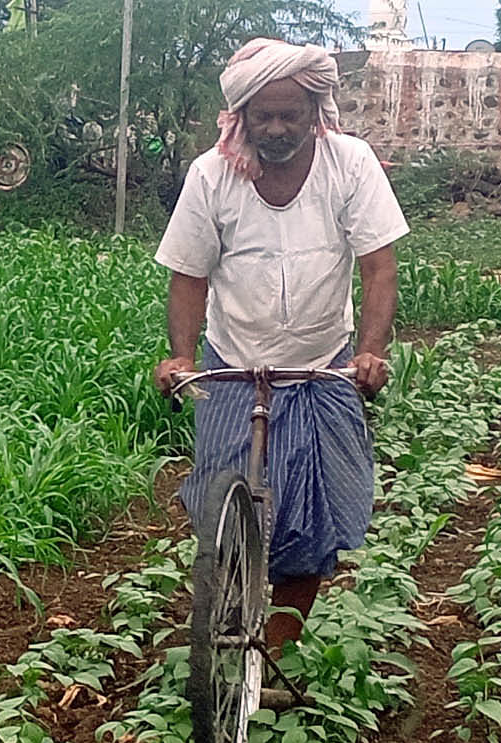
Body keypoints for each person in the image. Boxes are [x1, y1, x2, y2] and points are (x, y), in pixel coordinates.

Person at [151, 38, 408, 699]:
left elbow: (378, 266)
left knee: (314, 522)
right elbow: (188, 274)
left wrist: (369, 352)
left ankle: (274, 654)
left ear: (313, 109)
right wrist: (181, 356)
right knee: (225, 507)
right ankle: (227, 612)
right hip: (235, 358)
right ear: (238, 115)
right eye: (261, 116)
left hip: (322, 362)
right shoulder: (211, 176)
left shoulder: (348, 166)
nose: (275, 128)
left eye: (288, 114)